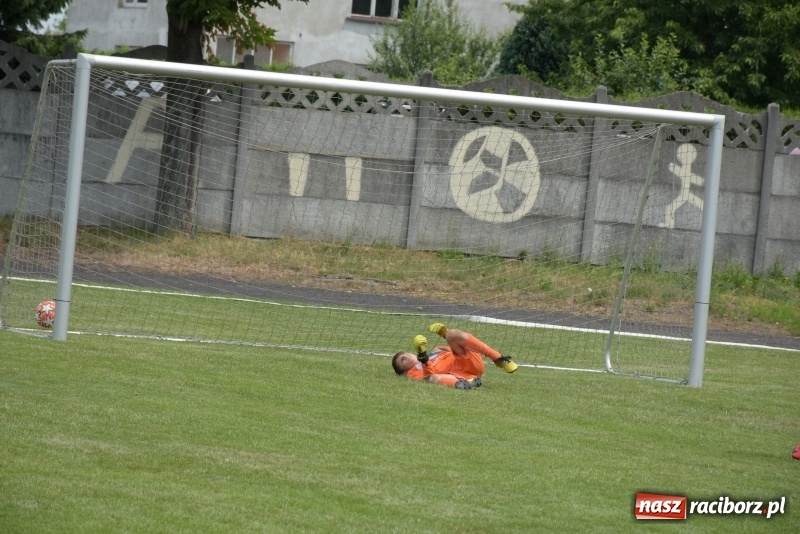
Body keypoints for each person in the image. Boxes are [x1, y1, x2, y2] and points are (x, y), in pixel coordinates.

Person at [391, 323, 518, 389]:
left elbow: (459, 348)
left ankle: (499, 359)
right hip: (458, 375)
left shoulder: (437, 350)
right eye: (402, 360)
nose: (405, 357)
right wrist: (422, 356)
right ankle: (465, 384)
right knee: (433, 379)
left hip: (468, 362)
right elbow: (428, 376)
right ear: (403, 371)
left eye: (405, 354)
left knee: (453, 334)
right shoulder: (412, 373)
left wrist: (444, 334)